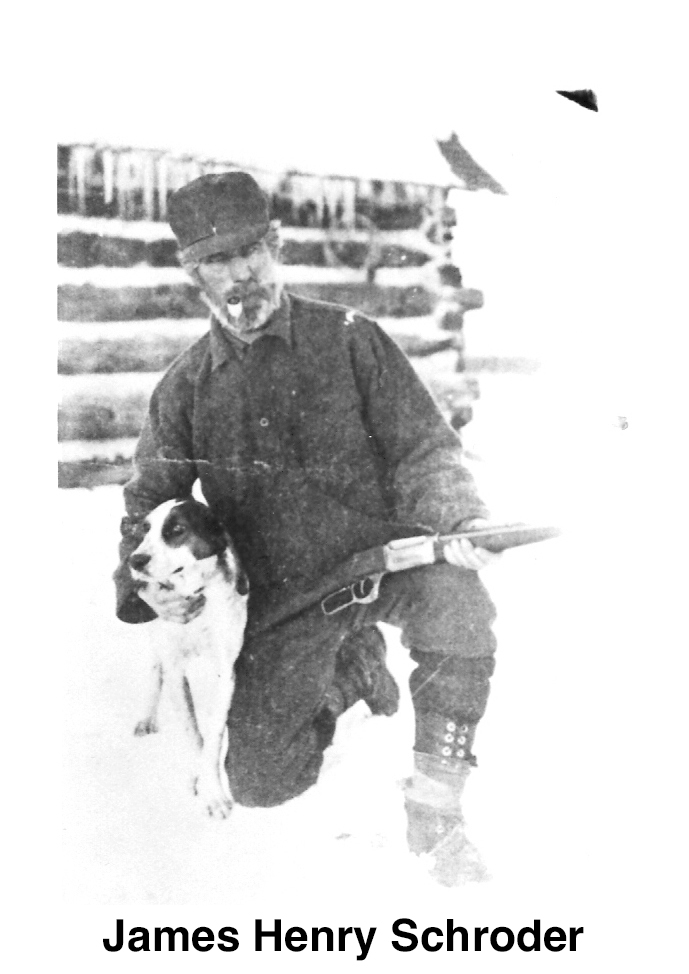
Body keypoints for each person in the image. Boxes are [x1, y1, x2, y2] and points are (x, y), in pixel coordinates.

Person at [114, 171, 499, 886]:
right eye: (218, 261)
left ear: (276, 244)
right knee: (261, 780)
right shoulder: (186, 386)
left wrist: (460, 519)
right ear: (192, 272)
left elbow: (423, 449)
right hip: (283, 596)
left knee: (460, 607)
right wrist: (146, 592)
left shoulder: (352, 342)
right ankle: (349, 673)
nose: (240, 275)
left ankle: (436, 810)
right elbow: (148, 501)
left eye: (251, 252)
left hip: (385, 559)